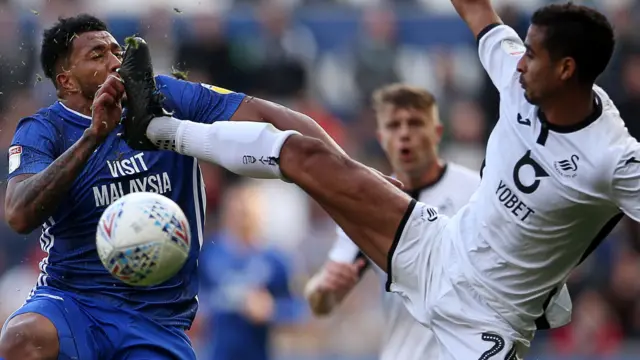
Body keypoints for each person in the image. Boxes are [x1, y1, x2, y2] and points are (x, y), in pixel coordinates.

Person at [123, 1, 627, 358]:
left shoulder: (615, 158)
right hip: (436, 247)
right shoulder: (521, 81)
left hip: (486, 322)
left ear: (565, 69)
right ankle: (155, 127)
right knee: (305, 155)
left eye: (533, 55)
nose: (519, 62)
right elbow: (476, 8)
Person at [0, 14, 351, 360]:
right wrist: (93, 137)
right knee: (21, 338)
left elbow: (264, 114)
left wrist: (351, 169)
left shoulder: (165, 96)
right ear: (67, 82)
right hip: (75, 300)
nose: (115, 63)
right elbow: (18, 214)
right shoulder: (44, 129)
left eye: (117, 52)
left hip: (156, 316)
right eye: (97, 56)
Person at [304, 83, 480, 359]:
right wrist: (325, 288)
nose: (405, 134)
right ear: (381, 136)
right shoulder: (367, 203)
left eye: (415, 123)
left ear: (437, 133)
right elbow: (321, 302)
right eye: (394, 125)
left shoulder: (475, 193)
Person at [198, 182, 306, 360]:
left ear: (261, 214)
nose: (242, 219)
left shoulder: (276, 259)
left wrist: (271, 309)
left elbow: (298, 309)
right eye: (237, 212)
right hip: (216, 352)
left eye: (247, 213)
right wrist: (207, 309)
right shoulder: (208, 254)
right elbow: (193, 299)